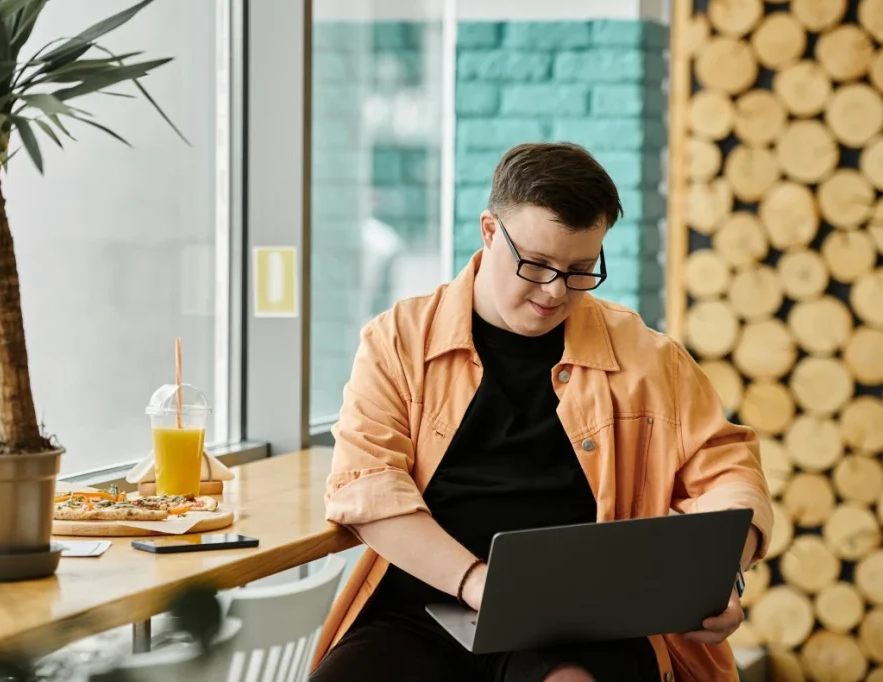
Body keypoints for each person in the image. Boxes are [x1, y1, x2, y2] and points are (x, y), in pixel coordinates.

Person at [307, 142, 772, 682]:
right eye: (537, 264)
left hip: (587, 624)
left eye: (580, 270)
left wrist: (719, 577)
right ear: (488, 231)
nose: (555, 292)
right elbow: (368, 489)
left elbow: (730, 471)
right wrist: (478, 583)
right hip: (420, 609)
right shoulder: (397, 341)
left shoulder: (648, 357)